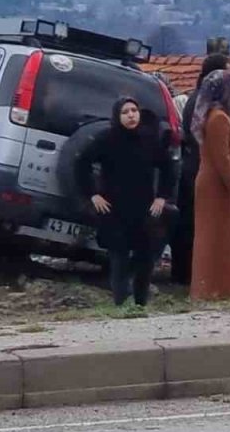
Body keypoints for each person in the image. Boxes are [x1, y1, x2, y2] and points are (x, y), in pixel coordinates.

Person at [75, 98, 176, 306]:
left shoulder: (148, 139)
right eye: (125, 112)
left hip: (144, 210)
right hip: (115, 210)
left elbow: (168, 167)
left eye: (134, 110)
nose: (131, 115)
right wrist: (92, 194)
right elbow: (81, 163)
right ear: (117, 116)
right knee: (119, 259)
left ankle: (140, 304)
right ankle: (120, 304)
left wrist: (161, 197)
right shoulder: (107, 139)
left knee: (145, 260)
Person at [189, 69, 230, 301]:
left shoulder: (210, 115)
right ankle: (218, 287)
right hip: (218, 186)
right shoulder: (218, 119)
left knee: (218, 236)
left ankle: (218, 287)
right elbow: (222, 159)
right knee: (218, 237)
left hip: (215, 183)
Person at [172, 53, 230, 285]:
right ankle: (192, 274)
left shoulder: (198, 99)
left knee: (190, 222)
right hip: (200, 167)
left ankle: (185, 272)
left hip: (193, 165)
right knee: (196, 223)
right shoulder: (205, 105)